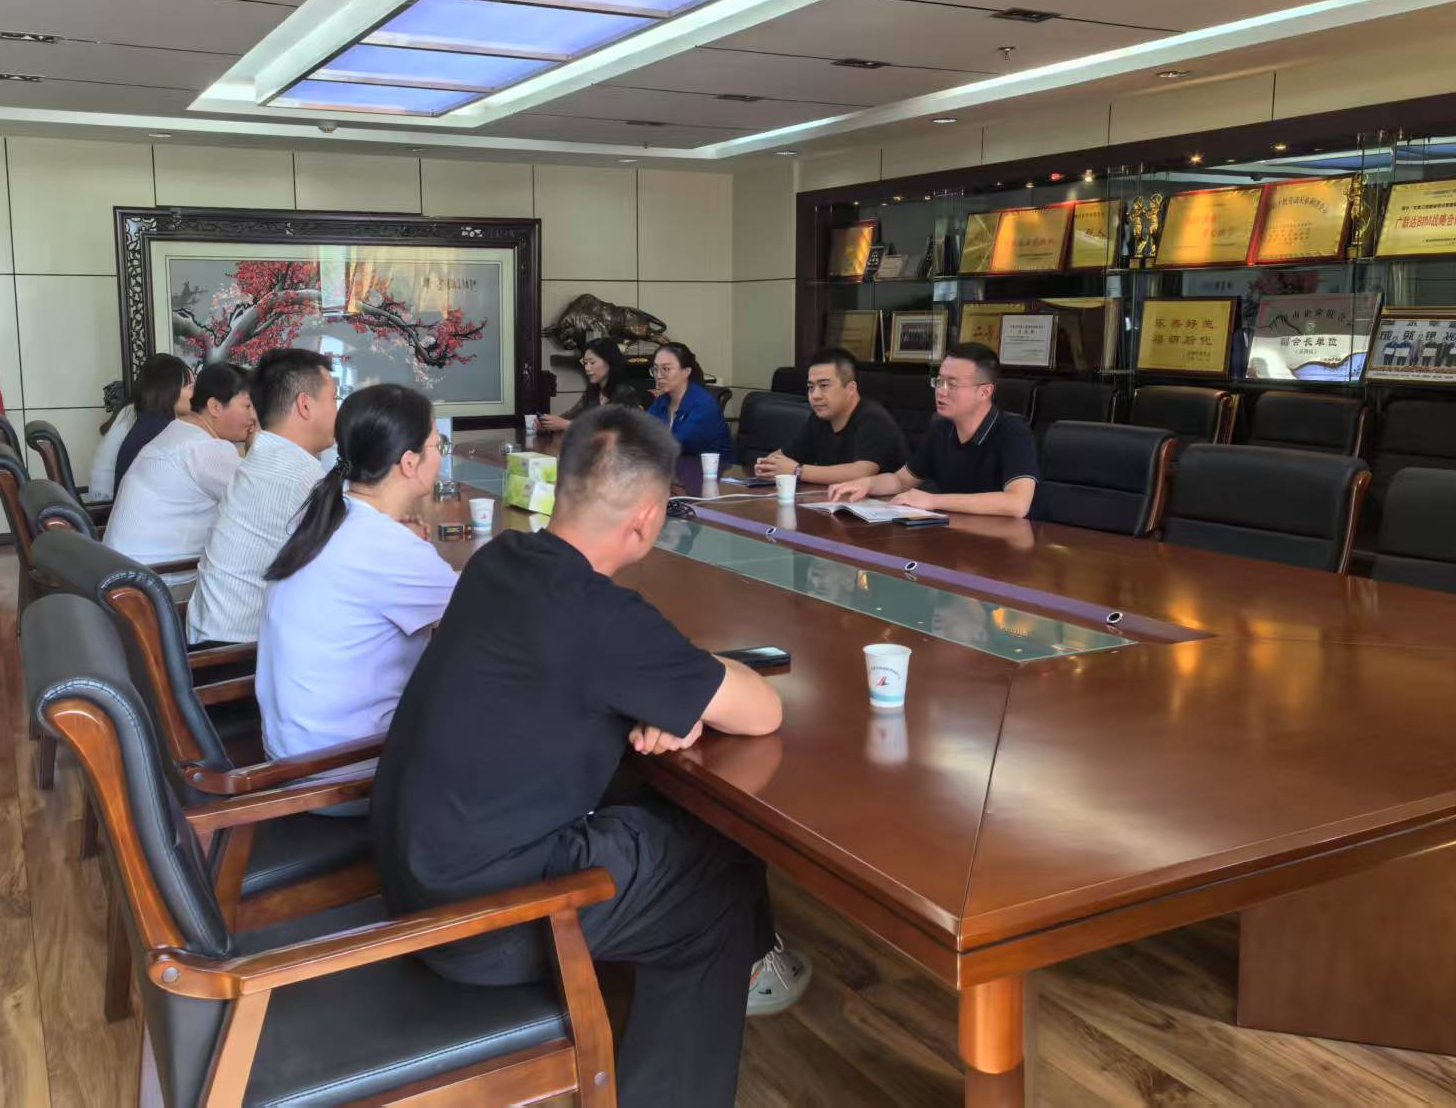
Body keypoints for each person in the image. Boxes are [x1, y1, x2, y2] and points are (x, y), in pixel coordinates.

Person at [371, 406, 794, 1108]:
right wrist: (680, 688)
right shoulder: (603, 617)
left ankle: (729, 979)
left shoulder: (497, 560)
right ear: (647, 520)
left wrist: (666, 692)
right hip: (484, 920)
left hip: (412, 871)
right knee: (716, 880)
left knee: (669, 814)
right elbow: (762, 709)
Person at [256, 384, 456, 767]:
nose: (440, 455)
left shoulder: (326, 517)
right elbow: (486, 616)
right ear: (409, 462)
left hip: (292, 755)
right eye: (437, 444)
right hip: (343, 770)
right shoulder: (387, 547)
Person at [187, 349, 339, 647]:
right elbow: (349, 569)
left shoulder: (265, 457)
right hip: (236, 655)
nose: (338, 410)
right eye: (334, 399)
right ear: (305, 405)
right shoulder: (297, 475)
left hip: (211, 638)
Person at [827, 342, 1038, 518]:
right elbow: (901, 480)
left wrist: (934, 501)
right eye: (939, 381)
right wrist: (866, 484)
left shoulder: (1013, 432)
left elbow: (1017, 503)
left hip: (1005, 541)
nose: (941, 392)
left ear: (984, 392)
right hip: (955, 534)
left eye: (952, 385)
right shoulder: (942, 428)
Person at [103, 362, 254, 575]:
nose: (253, 417)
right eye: (247, 406)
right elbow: (263, 502)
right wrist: (261, 444)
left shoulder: (178, 431)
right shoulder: (205, 447)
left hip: (122, 573)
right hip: (155, 582)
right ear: (215, 407)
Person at [755, 347, 907, 485]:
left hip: (885, 503)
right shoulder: (819, 418)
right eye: (810, 387)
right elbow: (786, 455)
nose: (815, 395)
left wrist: (797, 470)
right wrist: (768, 465)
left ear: (851, 389)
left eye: (824, 386)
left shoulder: (873, 419)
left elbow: (862, 473)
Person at [111, 354, 193, 493]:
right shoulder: (161, 434)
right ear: (169, 390)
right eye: (191, 387)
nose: (198, 393)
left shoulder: (149, 424)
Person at [646, 341, 734, 460]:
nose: (659, 375)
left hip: (717, 469)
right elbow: (642, 430)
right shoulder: (662, 400)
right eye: (656, 369)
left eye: (666, 369)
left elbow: (675, 444)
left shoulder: (703, 405)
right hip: (676, 467)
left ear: (686, 372)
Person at [538, 337, 644, 431]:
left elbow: (611, 429)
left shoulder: (625, 392)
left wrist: (565, 425)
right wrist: (546, 423)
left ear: (609, 361)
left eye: (592, 362)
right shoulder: (592, 392)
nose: (587, 368)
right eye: (585, 363)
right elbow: (569, 416)